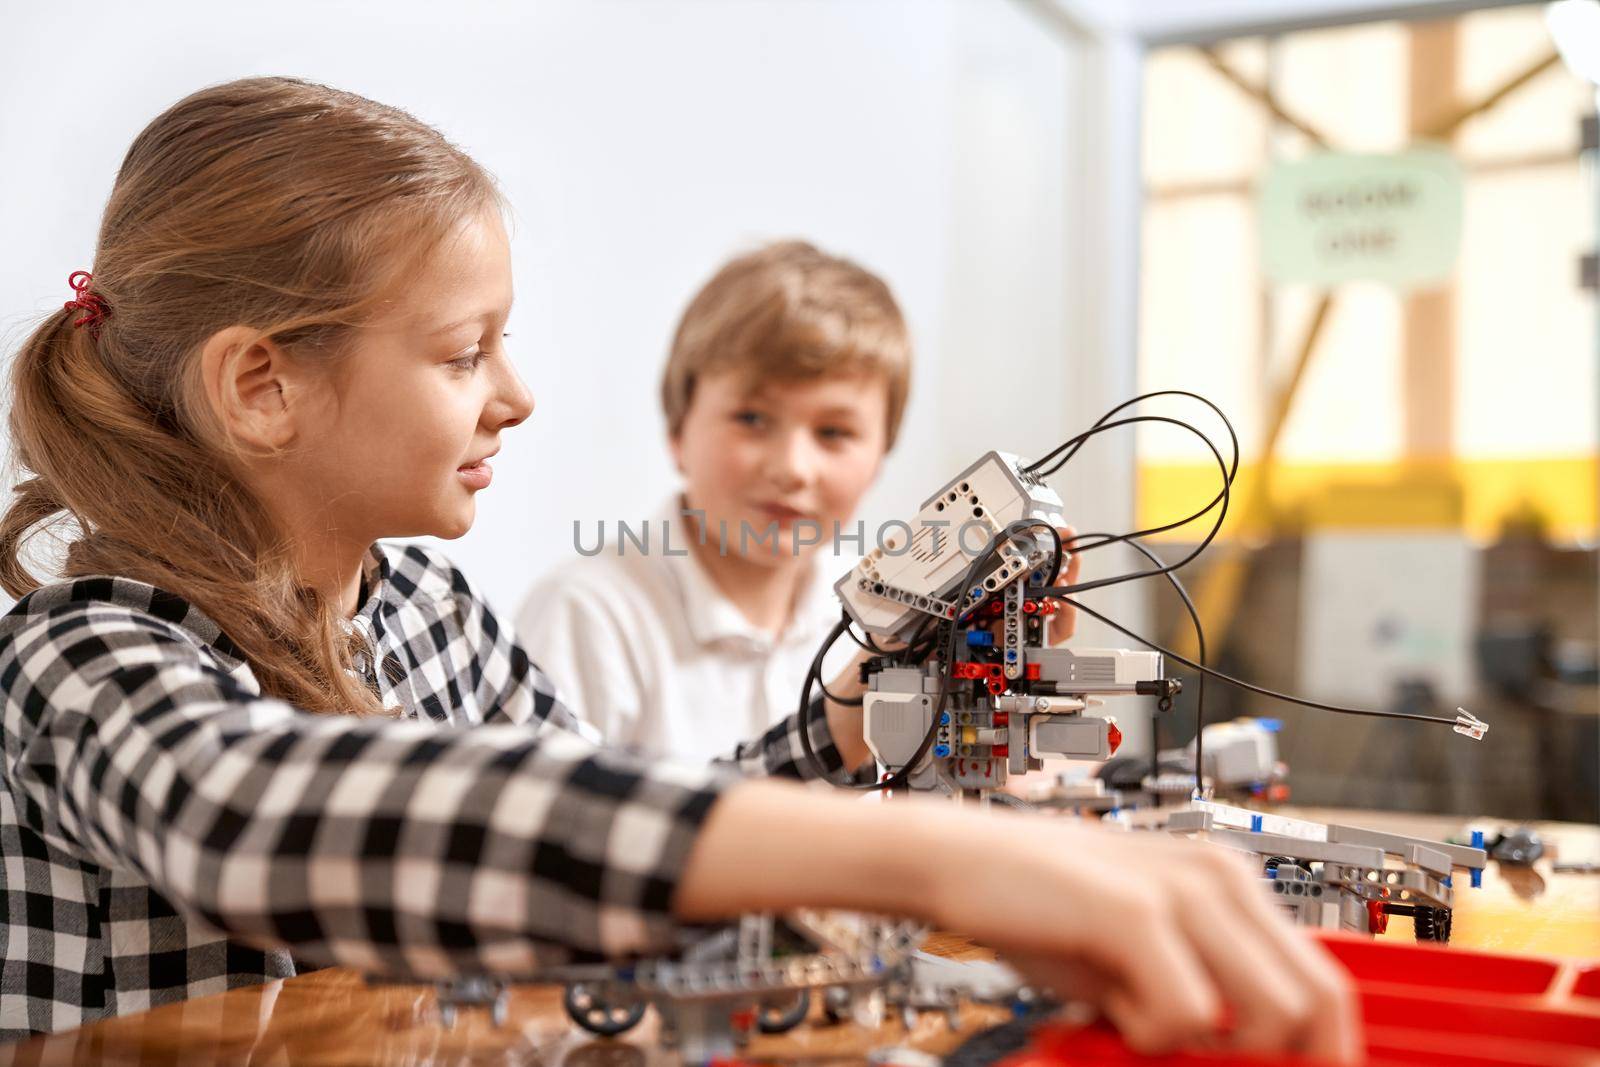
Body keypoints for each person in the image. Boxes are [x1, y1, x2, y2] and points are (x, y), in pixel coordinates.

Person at [0, 77, 1357, 1060]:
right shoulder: (84, 646)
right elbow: (253, 818)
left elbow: (631, 848)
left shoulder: (424, 612)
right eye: (466, 351)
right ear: (261, 383)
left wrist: (833, 739)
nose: (516, 394)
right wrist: (929, 854)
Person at [517, 240, 911, 761]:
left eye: (834, 432)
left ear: (881, 455)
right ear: (679, 430)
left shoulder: (884, 618)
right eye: (751, 419)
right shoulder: (587, 616)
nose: (792, 468)